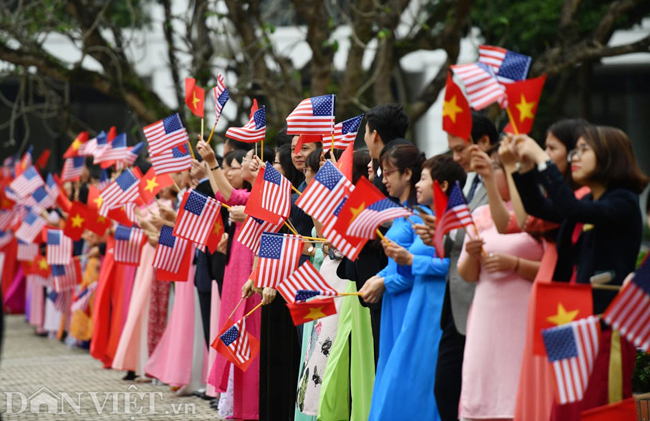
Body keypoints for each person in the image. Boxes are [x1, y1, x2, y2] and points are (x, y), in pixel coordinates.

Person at [511, 126, 648, 419]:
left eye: (584, 149)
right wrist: (523, 167)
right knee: (566, 408)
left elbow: (568, 206)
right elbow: (540, 207)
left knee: (600, 406)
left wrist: (541, 159)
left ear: (610, 156)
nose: (575, 156)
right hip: (574, 318)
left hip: (605, 325)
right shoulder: (589, 202)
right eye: (576, 149)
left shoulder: (623, 201)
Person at [372, 155, 466, 420]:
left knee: (425, 385)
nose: (418, 186)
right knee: (402, 381)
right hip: (418, 308)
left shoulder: (454, 220)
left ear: (443, 185)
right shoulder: (425, 218)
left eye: (423, 179)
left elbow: (453, 264)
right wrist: (398, 259)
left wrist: (412, 259)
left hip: (437, 309)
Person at [435, 111, 499, 421]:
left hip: (485, 300)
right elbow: (462, 230)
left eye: (461, 148)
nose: (456, 157)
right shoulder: (471, 180)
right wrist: (440, 233)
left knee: (464, 391)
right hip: (457, 302)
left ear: (485, 142)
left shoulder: (500, 180)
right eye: (453, 149)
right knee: (448, 388)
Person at [358, 144, 426, 421]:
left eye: (388, 172)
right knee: (388, 375)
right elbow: (395, 263)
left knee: (403, 381)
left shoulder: (420, 215)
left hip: (409, 304)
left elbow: (418, 264)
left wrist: (385, 283)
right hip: (393, 306)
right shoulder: (400, 212)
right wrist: (379, 277)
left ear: (408, 173)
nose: (383, 179)